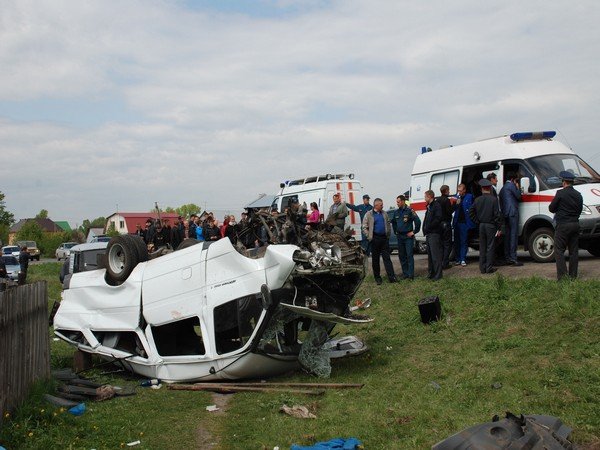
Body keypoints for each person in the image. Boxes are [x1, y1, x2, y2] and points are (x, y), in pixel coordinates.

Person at [549, 171, 583, 280]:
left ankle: (563, 277)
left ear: (564, 182)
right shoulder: (578, 195)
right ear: (572, 182)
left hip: (563, 225)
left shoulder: (560, 193)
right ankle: (573, 276)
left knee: (559, 250)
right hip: (575, 224)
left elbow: (551, 208)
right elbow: (579, 210)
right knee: (573, 251)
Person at [470, 179, 502, 274]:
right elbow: (497, 215)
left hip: (481, 225)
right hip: (490, 226)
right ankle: (489, 268)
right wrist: (499, 227)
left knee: (482, 247)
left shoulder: (477, 199)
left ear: (481, 189)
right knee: (490, 247)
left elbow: (471, 212)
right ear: (490, 188)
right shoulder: (493, 200)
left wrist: (477, 221)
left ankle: (482, 268)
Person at [362, 198, 396, 285]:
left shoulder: (384, 213)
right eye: (381, 205)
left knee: (387, 259)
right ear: (376, 205)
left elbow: (388, 224)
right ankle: (378, 278)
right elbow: (364, 227)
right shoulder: (369, 214)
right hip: (375, 239)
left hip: (384, 239)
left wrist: (387, 235)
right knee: (375, 260)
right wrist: (369, 237)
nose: (382, 206)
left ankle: (392, 277)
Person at [391, 194, 421, 280]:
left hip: (408, 237)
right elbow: (393, 222)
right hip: (400, 237)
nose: (397, 203)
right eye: (396, 202)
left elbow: (417, 221)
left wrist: (414, 232)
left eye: (398, 202)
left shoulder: (409, 210)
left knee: (409, 255)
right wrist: (396, 230)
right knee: (402, 256)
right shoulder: (396, 212)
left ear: (403, 201)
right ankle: (405, 274)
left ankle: (411, 275)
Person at [499, 172, 523, 266]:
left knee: (508, 236)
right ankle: (513, 258)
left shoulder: (503, 188)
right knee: (513, 235)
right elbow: (519, 196)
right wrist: (517, 187)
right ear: (513, 179)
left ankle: (507, 257)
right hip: (513, 212)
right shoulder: (511, 185)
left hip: (506, 213)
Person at [452, 183, 475, 266]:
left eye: (461, 191)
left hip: (465, 223)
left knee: (463, 241)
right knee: (456, 242)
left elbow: (473, 208)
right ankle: (457, 259)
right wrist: (455, 204)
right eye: (458, 191)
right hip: (457, 222)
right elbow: (452, 209)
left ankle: (463, 259)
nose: (459, 192)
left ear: (464, 190)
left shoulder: (469, 196)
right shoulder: (455, 197)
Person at [423, 190, 444, 281]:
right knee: (430, 256)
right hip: (429, 234)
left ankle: (438, 275)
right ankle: (431, 273)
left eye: (425, 197)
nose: (424, 199)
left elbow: (438, 218)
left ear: (429, 196)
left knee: (436, 256)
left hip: (434, 233)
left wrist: (429, 227)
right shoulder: (429, 206)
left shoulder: (436, 205)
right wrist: (425, 228)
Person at [438, 185, 455, 269]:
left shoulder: (437, 200)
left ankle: (440, 262)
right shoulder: (446, 200)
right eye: (448, 190)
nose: (449, 192)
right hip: (446, 224)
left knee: (441, 244)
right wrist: (455, 205)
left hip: (439, 225)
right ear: (446, 191)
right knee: (447, 244)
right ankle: (445, 263)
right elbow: (449, 211)